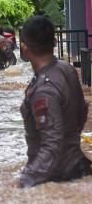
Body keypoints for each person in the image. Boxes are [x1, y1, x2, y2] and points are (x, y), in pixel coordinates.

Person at [19, 15, 91, 188]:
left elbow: (52, 146)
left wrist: (24, 182)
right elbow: (83, 112)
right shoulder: (67, 69)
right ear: (55, 41)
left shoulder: (44, 90)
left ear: (24, 48)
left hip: (59, 176)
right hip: (77, 167)